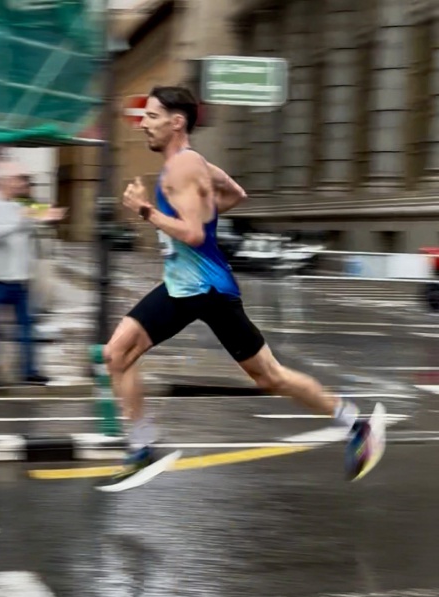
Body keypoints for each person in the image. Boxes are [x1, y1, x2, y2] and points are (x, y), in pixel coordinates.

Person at [97, 86, 385, 492]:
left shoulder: (182, 167)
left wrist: (146, 211)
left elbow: (195, 235)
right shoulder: (194, 164)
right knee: (120, 353)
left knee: (267, 377)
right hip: (186, 285)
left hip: (204, 288)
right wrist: (201, 212)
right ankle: (142, 448)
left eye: (153, 116)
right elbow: (235, 194)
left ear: (176, 122)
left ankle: (358, 424)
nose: (144, 123)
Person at [0, 161, 65, 387]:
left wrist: (49, 215)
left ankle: (29, 370)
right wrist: (22, 218)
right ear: (2, 181)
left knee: (26, 325)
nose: (21, 183)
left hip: (20, 279)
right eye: (17, 179)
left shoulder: (21, 205)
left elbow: (41, 220)